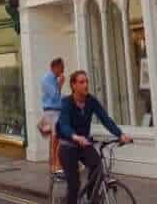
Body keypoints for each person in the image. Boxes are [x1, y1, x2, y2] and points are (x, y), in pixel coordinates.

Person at [57, 71, 132, 204]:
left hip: (84, 144)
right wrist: (75, 137)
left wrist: (120, 134)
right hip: (68, 147)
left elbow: (105, 119)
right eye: (82, 82)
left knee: (98, 167)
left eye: (87, 81)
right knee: (74, 184)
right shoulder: (66, 103)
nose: (86, 85)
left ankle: (92, 199)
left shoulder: (91, 101)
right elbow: (64, 125)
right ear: (73, 85)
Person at [40, 57, 65, 173]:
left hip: (55, 111)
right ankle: (55, 166)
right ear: (55, 67)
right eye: (62, 67)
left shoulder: (53, 78)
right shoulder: (48, 79)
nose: (63, 69)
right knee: (56, 138)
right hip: (52, 111)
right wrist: (60, 84)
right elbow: (55, 97)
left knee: (56, 138)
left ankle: (54, 164)